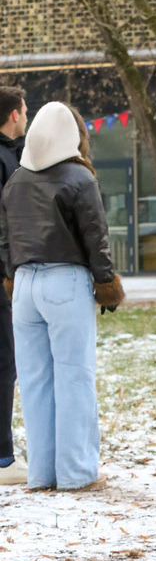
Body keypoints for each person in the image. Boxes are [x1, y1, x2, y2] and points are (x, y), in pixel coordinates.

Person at [0, 102, 124, 491]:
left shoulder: (16, 180)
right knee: (74, 377)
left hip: (23, 287)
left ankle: (41, 474)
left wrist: (11, 278)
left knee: (35, 382)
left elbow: (4, 240)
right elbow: (96, 240)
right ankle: (76, 473)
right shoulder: (79, 178)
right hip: (65, 281)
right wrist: (107, 287)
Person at [0, 86, 29, 486]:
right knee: (6, 360)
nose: (27, 116)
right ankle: (4, 458)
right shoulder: (6, 161)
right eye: (25, 110)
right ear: (13, 115)